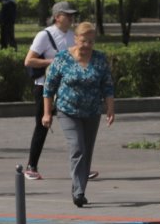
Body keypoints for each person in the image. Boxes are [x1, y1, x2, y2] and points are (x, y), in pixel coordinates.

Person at [42, 21, 115, 207]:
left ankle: (80, 187)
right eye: (84, 41)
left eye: (91, 41)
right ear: (75, 39)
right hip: (68, 111)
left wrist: (110, 109)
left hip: (92, 111)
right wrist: (47, 113)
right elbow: (49, 88)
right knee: (77, 147)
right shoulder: (62, 58)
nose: (87, 45)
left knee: (87, 151)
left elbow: (107, 86)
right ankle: (78, 191)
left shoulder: (99, 59)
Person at [21, 1, 77, 181]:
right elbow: (29, 61)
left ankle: (82, 166)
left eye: (72, 15)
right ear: (57, 17)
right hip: (45, 87)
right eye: (67, 14)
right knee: (42, 125)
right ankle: (31, 166)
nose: (71, 17)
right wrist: (52, 62)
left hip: (67, 87)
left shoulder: (73, 36)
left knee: (76, 126)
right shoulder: (44, 35)